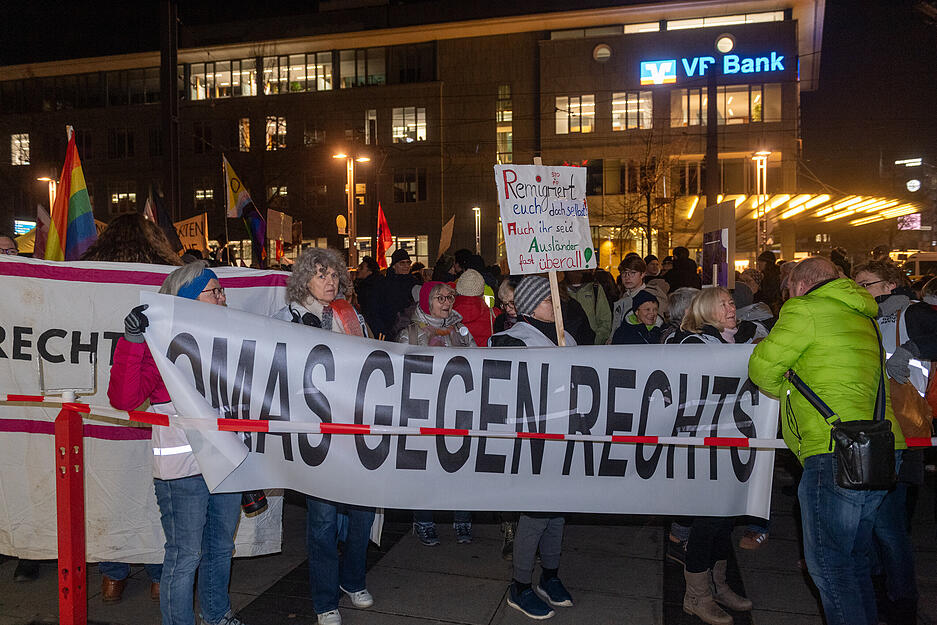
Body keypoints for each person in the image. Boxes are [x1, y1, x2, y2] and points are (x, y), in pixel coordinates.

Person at [748, 256, 906, 625]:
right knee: (854, 560)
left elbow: (761, 368)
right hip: (881, 446)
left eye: (788, 290)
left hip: (835, 449)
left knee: (831, 567)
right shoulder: (862, 313)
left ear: (801, 285)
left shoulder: (804, 309)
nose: (787, 296)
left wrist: (785, 384)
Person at [108, 261, 247, 625]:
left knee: (220, 548)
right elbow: (124, 399)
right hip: (182, 472)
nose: (222, 296)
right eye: (213, 291)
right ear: (188, 299)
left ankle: (217, 615)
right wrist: (133, 342)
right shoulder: (159, 345)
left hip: (226, 463)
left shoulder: (231, 337)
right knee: (185, 555)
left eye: (221, 290)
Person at [83, 212, 181, 602]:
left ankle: (112, 573)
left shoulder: (84, 277)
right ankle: (159, 574)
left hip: (100, 403)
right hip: (156, 400)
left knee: (111, 489)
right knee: (158, 494)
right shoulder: (168, 277)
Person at [273, 248, 373, 625]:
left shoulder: (349, 314)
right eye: (321, 275)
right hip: (315, 433)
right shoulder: (287, 319)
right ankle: (324, 599)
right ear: (304, 279)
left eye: (334, 275)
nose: (330, 282)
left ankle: (353, 580)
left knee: (363, 511)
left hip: (353, 427)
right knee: (323, 520)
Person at [490, 276, 575, 620]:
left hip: (563, 435)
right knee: (536, 513)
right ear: (528, 305)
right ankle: (520, 585)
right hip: (530, 440)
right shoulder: (510, 340)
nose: (555, 306)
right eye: (546, 300)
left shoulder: (565, 336)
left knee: (557, 510)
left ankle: (550, 576)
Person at [855, 260, 932, 624]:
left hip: (904, 431)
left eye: (865, 284)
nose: (860, 291)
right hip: (879, 432)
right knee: (876, 522)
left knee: (888, 527)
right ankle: (887, 596)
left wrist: (910, 348)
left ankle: (900, 604)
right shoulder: (872, 318)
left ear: (888, 284)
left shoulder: (911, 313)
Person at [398, 281, 475, 545]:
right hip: (424, 411)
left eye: (449, 297)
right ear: (425, 302)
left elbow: (476, 363)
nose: (446, 302)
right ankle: (424, 519)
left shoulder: (461, 332)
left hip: (458, 409)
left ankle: (463, 517)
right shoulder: (409, 334)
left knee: (461, 466)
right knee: (425, 468)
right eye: (439, 297)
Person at [668, 287, 766, 345]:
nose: (732, 309)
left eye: (731, 303)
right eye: (723, 305)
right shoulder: (695, 343)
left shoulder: (748, 334)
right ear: (706, 311)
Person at [373, 248, 416, 339]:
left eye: (408, 262)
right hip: (389, 332)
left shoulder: (415, 283)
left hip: (411, 331)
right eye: (402, 263)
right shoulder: (384, 284)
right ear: (394, 266)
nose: (406, 266)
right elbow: (376, 310)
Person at [563, 269, 612, 345]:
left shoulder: (595, 289)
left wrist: (595, 341)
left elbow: (605, 320)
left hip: (591, 345)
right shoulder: (560, 291)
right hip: (567, 345)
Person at [453, 269, 495, 347]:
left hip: (457, 358)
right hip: (486, 357)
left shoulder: (447, 316)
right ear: (482, 293)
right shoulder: (494, 315)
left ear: (457, 291)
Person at [610, 256, 648, 340]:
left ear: (642, 274)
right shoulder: (623, 297)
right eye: (624, 273)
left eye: (632, 273)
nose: (627, 277)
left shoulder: (650, 297)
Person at [354, 256, 382, 334]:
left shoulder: (371, 287)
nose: (358, 270)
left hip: (374, 327)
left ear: (370, 271)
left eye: (361, 268)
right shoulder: (362, 285)